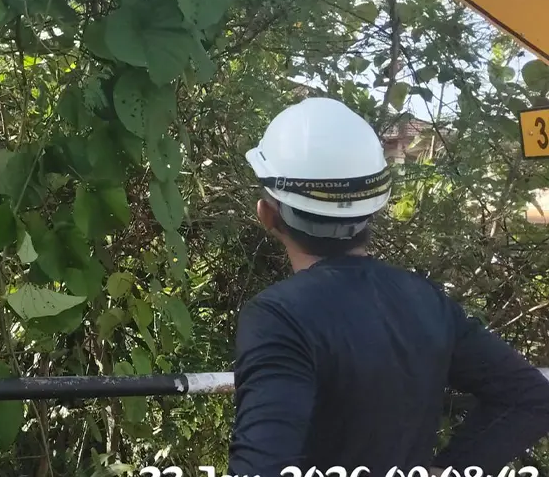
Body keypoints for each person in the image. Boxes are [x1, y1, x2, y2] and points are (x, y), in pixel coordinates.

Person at [230, 96, 549, 477]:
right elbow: (531, 398)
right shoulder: (426, 301)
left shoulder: (279, 317)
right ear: (374, 209)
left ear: (267, 215)